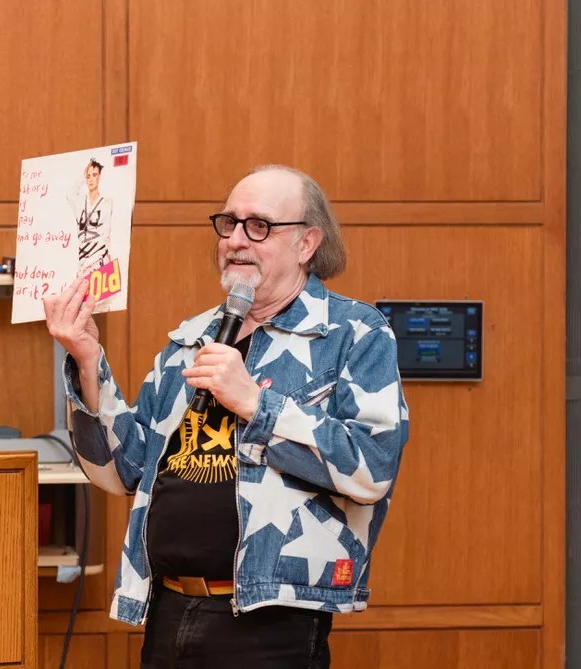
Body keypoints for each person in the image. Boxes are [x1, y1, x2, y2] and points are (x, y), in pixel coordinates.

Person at [44, 165, 409, 668]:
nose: (236, 239)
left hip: (270, 623)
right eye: (229, 223)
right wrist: (87, 359)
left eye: (258, 226)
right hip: (168, 610)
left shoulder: (354, 334)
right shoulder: (189, 341)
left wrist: (258, 404)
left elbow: (372, 469)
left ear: (306, 243)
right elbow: (119, 471)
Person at [67, 158, 115, 276]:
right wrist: (82, 177)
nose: (91, 179)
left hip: (98, 259)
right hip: (82, 259)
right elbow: (69, 193)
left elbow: (106, 233)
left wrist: (106, 260)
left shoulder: (106, 202)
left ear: (99, 176)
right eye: (88, 176)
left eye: (94, 175)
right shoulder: (80, 202)